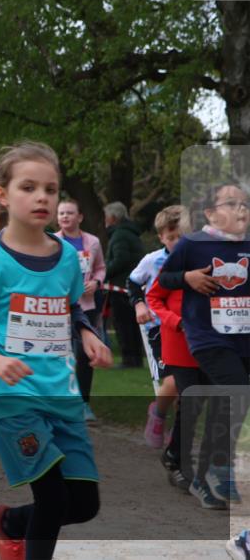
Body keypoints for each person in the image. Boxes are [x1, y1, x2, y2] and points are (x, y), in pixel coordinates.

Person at [0, 141, 111, 560]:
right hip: (12, 398)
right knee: (53, 499)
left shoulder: (67, 258)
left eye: (50, 189)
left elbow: (72, 307)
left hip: (61, 393)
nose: (42, 197)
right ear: (2, 196)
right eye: (28, 187)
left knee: (84, 504)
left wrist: (87, 333)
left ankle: (7, 523)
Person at [158, 182, 250, 506]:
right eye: (231, 203)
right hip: (207, 336)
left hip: (242, 337)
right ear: (210, 213)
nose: (241, 209)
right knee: (238, 390)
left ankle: (204, 478)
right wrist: (187, 278)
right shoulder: (193, 244)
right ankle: (218, 469)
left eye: (244, 203)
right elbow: (164, 279)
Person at [145, 209, 225, 508]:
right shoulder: (175, 266)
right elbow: (153, 297)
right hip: (179, 344)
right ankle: (178, 461)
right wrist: (175, 321)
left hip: (212, 343)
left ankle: (179, 455)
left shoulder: (217, 262)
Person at [127, 206, 188, 449]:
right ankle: (158, 413)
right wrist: (139, 305)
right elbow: (133, 283)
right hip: (159, 328)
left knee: (187, 385)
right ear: (161, 237)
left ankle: (178, 434)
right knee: (172, 381)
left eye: (181, 236)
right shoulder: (152, 260)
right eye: (171, 237)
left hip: (189, 330)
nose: (176, 242)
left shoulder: (198, 259)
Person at [55, 198, 106, 422]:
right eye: (61, 213)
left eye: (69, 213)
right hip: (59, 306)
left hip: (86, 305)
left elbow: (100, 268)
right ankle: (61, 401)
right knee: (60, 353)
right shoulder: (51, 242)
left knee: (85, 355)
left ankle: (84, 403)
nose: (65, 216)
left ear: (80, 217)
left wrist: (96, 282)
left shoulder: (92, 242)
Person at [103, 201, 146, 367]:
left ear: (113, 218)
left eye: (106, 217)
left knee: (123, 324)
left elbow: (120, 259)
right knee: (132, 324)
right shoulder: (131, 233)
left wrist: (103, 274)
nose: (105, 220)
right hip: (131, 285)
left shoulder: (119, 235)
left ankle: (129, 359)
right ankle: (136, 358)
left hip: (121, 286)